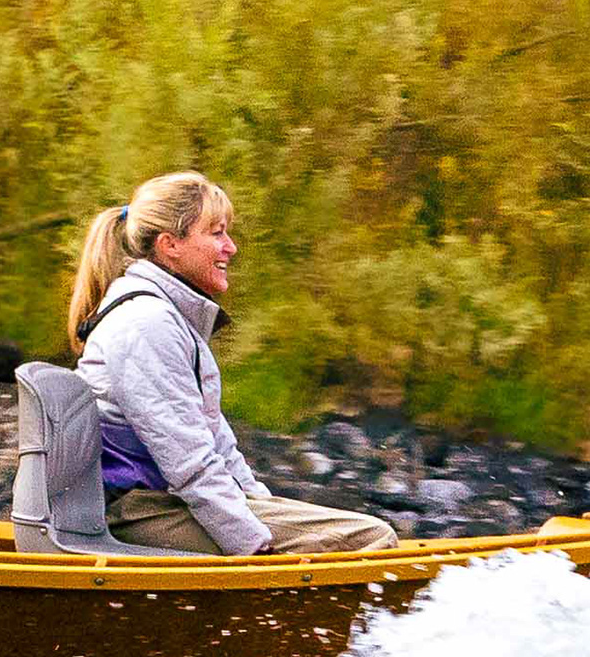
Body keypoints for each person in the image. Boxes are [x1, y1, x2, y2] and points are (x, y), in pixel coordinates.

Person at [67, 172, 396, 555]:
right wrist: (256, 548)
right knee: (371, 539)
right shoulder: (146, 324)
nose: (231, 248)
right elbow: (190, 465)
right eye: (216, 233)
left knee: (364, 534)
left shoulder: (167, 319)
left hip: (161, 503)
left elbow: (217, 445)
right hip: (136, 513)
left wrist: (262, 506)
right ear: (170, 245)